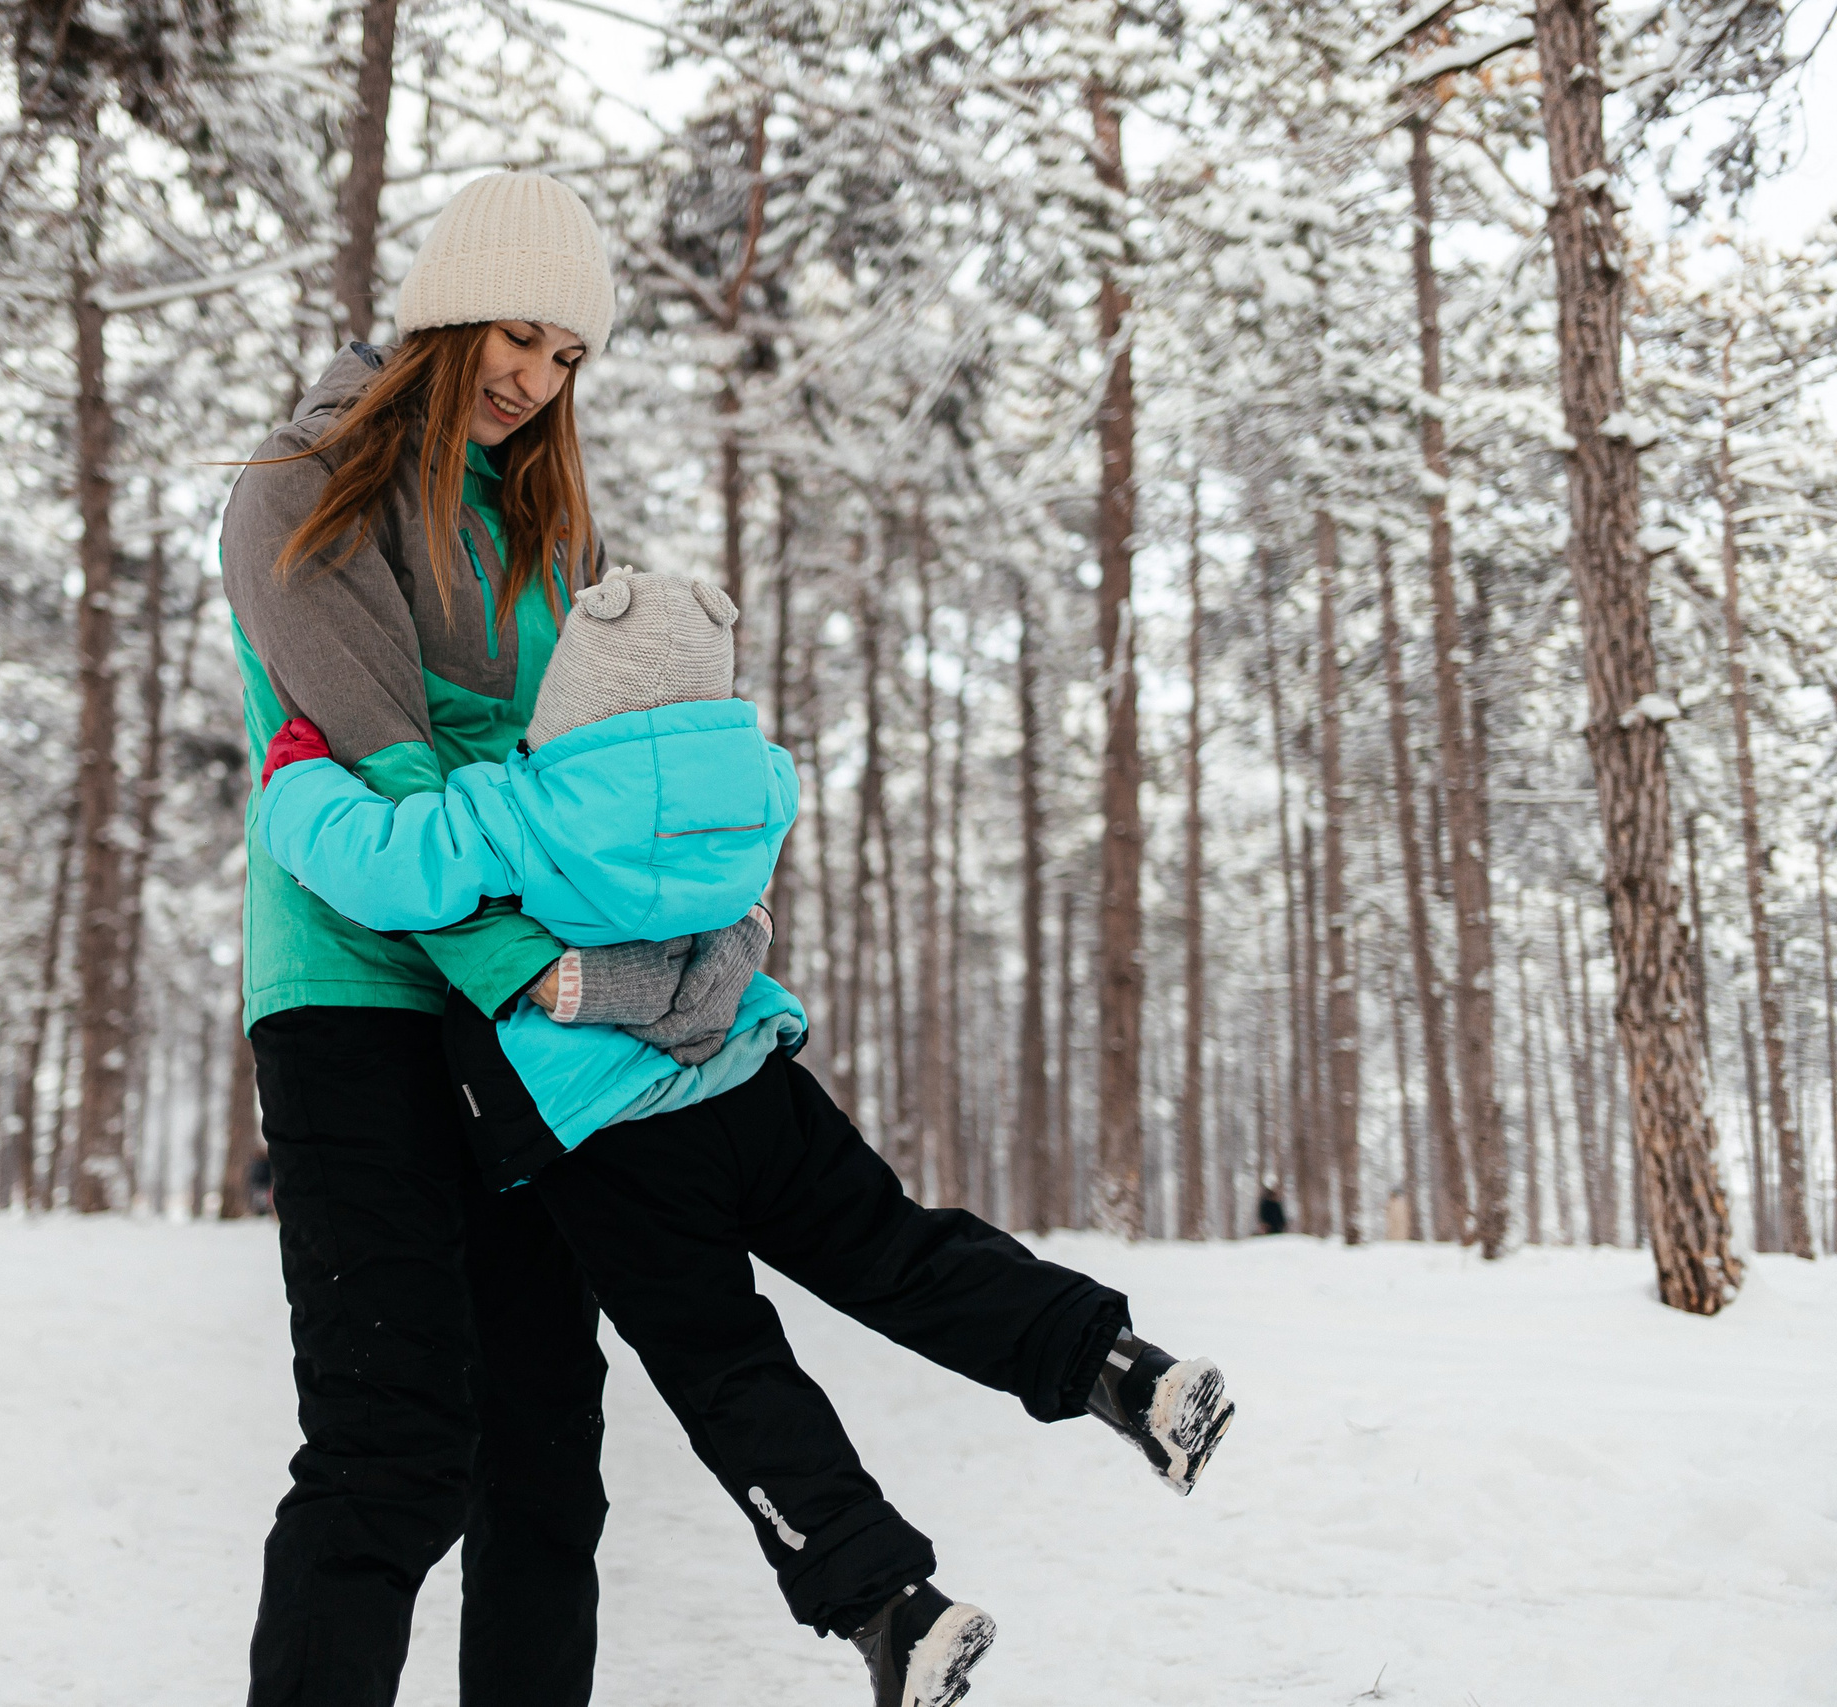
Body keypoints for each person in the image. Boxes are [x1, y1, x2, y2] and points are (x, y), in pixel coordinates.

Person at [258, 566, 1237, 1707]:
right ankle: (1117, 1368)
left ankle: (888, 1606)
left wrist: (294, 786)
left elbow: (387, 863)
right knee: (902, 1251)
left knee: (730, 1370)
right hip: (752, 1089)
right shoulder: (755, 792)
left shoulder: (524, 806)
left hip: (614, 1140)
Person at [219, 172, 760, 1707]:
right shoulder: (299, 484)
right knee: (393, 1448)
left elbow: (610, 792)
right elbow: (388, 768)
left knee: (547, 1462)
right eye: (516, 338)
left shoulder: (547, 536)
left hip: (532, 1012)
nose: (535, 381)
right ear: (445, 316)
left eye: (569, 357)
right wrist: (568, 969)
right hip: (357, 996)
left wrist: (698, 930)